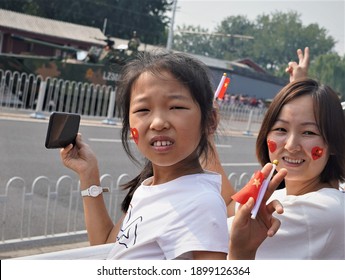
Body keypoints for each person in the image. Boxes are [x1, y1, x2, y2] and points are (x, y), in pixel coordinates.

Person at [60, 50, 286, 260]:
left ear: (210, 121)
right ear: (130, 126)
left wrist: (242, 253)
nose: (158, 123)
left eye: (176, 107)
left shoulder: (201, 203)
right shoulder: (148, 187)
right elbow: (106, 246)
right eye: (142, 110)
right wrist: (88, 174)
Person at [229, 47, 345, 259]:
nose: (291, 145)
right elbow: (231, 208)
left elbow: (207, 242)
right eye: (281, 129)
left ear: (335, 142)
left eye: (309, 132)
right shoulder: (282, 197)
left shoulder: (319, 210)